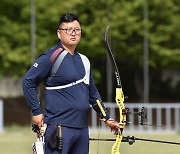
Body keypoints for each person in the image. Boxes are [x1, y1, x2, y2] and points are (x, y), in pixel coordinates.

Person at [23, 13, 121, 154]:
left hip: (81, 129)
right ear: (59, 33)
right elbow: (28, 81)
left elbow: (93, 95)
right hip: (59, 128)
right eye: (68, 30)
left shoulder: (84, 61)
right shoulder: (52, 56)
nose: (73, 33)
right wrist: (36, 112)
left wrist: (107, 118)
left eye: (77, 30)